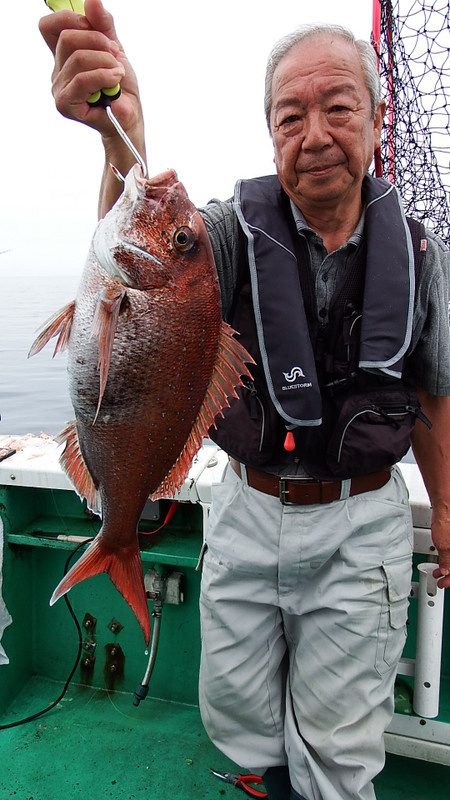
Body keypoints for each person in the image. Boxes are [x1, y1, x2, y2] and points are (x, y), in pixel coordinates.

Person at [39, 2, 450, 799]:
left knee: (338, 750)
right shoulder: (222, 235)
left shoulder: (424, 255)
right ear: (270, 135)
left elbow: (435, 391)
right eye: (291, 115)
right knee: (238, 718)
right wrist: (120, 135)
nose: (316, 134)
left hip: (363, 523)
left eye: (339, 107)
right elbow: (143, 270)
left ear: (377, 117)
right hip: (246, 509)